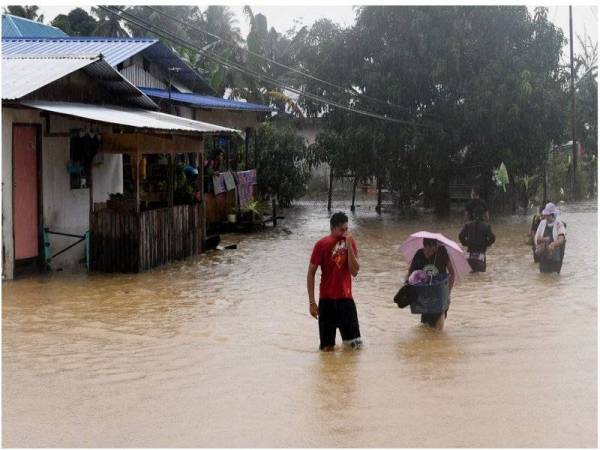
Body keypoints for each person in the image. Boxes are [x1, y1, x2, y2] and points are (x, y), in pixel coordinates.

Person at [307, 211, 362, 351]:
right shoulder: (321, 244)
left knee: (355, 348)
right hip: (326, 301)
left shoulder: (350, 242)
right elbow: (311, 273)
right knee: (327, 350)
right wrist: (312, 302)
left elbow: (354, 271)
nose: (344, 233)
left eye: (346, 229)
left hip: (346, 300)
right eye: (341, 230)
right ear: (332, 229)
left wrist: (349, 246)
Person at [407, 238, 455, 330]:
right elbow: (410, 274)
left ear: (436, 247)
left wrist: (448, 293)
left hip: (440, 294)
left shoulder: (442, 252)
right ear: (423, 247)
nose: (428, 254)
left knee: (438, 330)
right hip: (425, 295)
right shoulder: (419, 254)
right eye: (426, 250)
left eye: (431, 251)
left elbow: (452, 272)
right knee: (426, 326)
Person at [459, 205, 496, 272]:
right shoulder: (486, 226)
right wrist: (486, 244)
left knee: (471, 273)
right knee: (481, 275)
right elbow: (492, 238)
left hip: (470, 252)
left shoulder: (468, 225)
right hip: (481, 252)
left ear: (473, 214)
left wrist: (466, 243)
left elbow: (461, 236)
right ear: (483, 215)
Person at [534, 202, 566, 274]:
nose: (545, 217)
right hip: (544, 254)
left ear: (552, 215)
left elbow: (561, 239)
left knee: (554, 277)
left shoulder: (559, 224)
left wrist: (553, 244)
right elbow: (536, 237)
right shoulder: (542, 223)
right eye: (545, 215)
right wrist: (544, 240)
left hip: (555, 256)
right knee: (543, 276)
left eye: (547, 215)